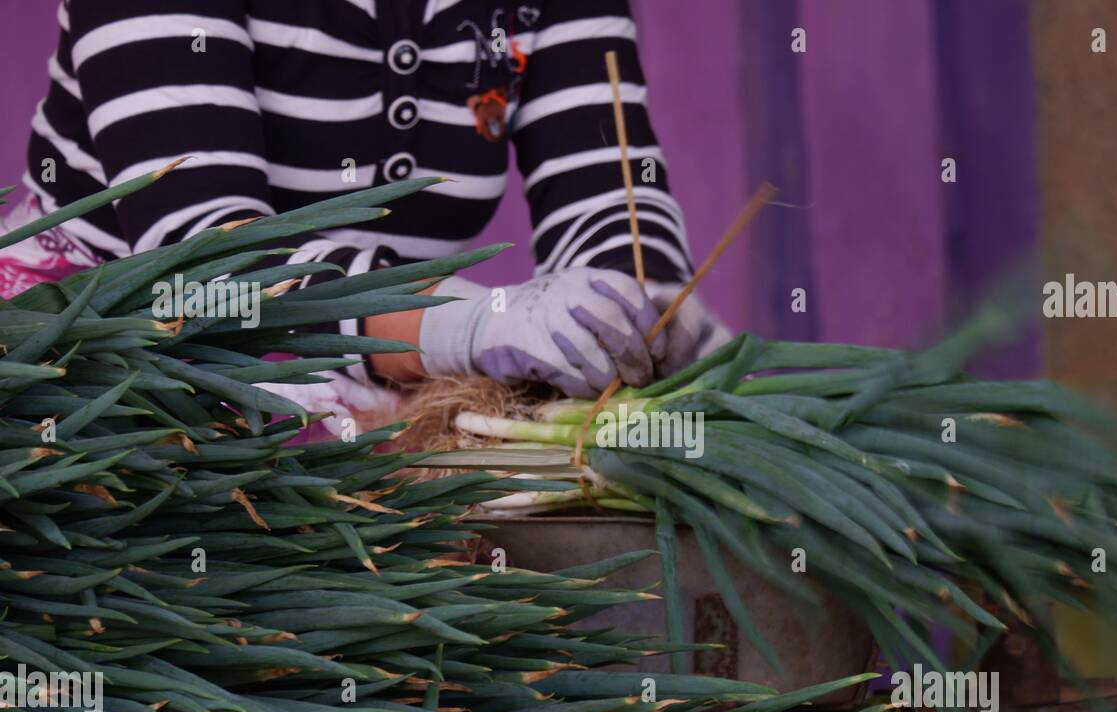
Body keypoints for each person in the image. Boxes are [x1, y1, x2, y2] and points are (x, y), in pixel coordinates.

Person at [4, 0, 728, 430]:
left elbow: (606, 194)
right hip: (115, 373)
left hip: (376, 382)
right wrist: (470, 323)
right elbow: (202, 263)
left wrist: (643, 308)